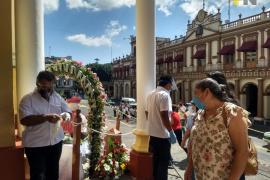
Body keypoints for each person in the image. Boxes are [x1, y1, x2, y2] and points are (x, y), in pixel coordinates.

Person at [184, 78, 249, 180]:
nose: (194, 99)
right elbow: (194, 143)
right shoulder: (200, 113)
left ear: (207, 92)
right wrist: (189, 168)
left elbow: (242, 151)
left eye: (196, 94)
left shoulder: (232, 113)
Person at [19, 71, 71, 180]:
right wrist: (45, 117)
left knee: (53, 174)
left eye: (49, 85)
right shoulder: (27, 99)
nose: (46, 88)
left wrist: (65, 115)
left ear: (53, 84)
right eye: (42, 85)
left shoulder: (57, 97)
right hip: (35, 145)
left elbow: (68, 112)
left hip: (56, 142)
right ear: (37, 83)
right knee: (38, 176)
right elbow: (24, 120)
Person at [145, 75, 178, 180]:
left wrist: (152, 122)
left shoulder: (150, 94)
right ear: (168, 84)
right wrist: (170, 131)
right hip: (163, 136)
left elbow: (146, 112)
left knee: (154, 162)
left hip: (152, 134)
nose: (171, 87)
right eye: (171, 85)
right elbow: (164, 114)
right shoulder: (164, 95)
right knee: (163, 164)